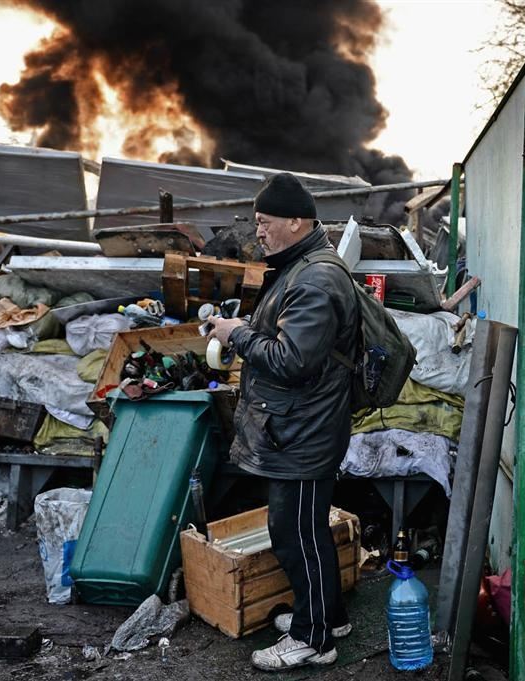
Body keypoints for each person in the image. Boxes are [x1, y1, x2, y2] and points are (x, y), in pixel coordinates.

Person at [207, 173, 358, 671]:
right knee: (303, 529)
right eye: (256, 223)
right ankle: (326, 616)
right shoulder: (300, 267)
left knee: (296, 532)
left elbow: (293, 360)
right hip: (299, 425)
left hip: (305, 430)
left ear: (297, 221)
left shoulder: (315, 278)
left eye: (265, 222)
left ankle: (313, 639)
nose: (260, 233)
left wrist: (236, 336)